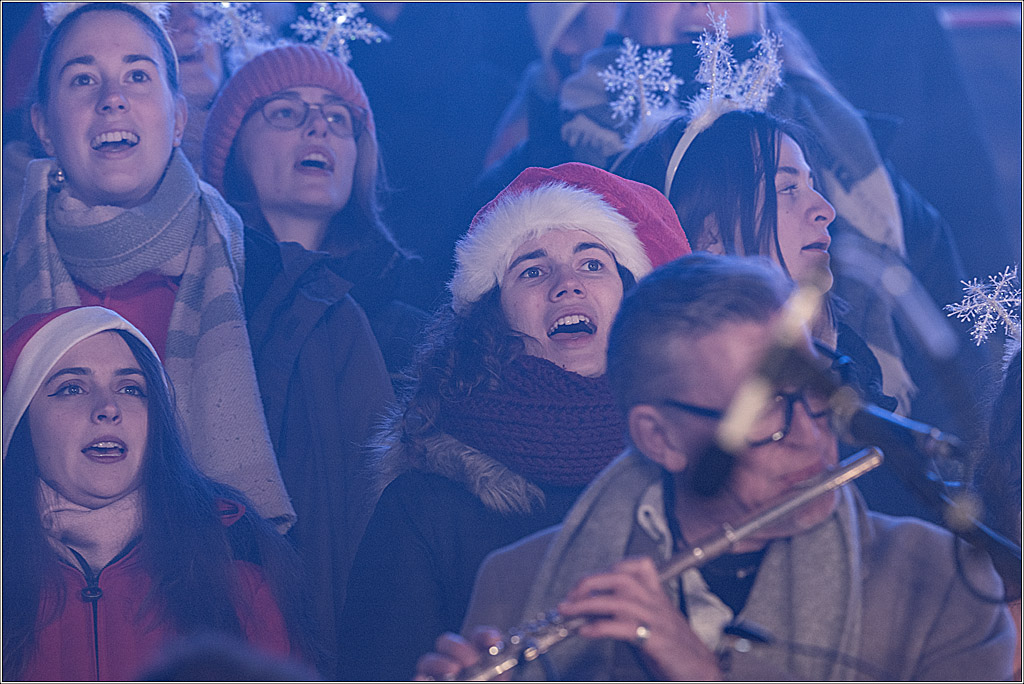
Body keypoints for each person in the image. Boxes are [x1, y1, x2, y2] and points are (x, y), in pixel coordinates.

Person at [417, 254, 1014, 681]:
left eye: (817, 389)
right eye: (766, 407)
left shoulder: (943, 584)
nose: (811, 432)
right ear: (661, 437)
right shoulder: (517, 584)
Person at [336, 162, 691, 681]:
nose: (567, 284)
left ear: (632, 300)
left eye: (593, 264)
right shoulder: (426, 504)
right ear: (493, 317)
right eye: (532, 270)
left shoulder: (695, 478)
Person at [3, 2, 293, 528]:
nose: (112, 100)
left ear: (178, 117)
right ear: (44, 127)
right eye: (83, 79)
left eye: (138, 76)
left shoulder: (291, 298)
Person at [1, 306, 311, 681]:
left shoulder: (242, 586)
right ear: (19, 421)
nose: (108, 408)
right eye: (71, 388)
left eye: (131, 388)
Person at [203, 43, 428, 378]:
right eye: (285, 112)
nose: (319, 126)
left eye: (338, 116)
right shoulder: (193, 311)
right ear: (234, 150)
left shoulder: (416, 343)